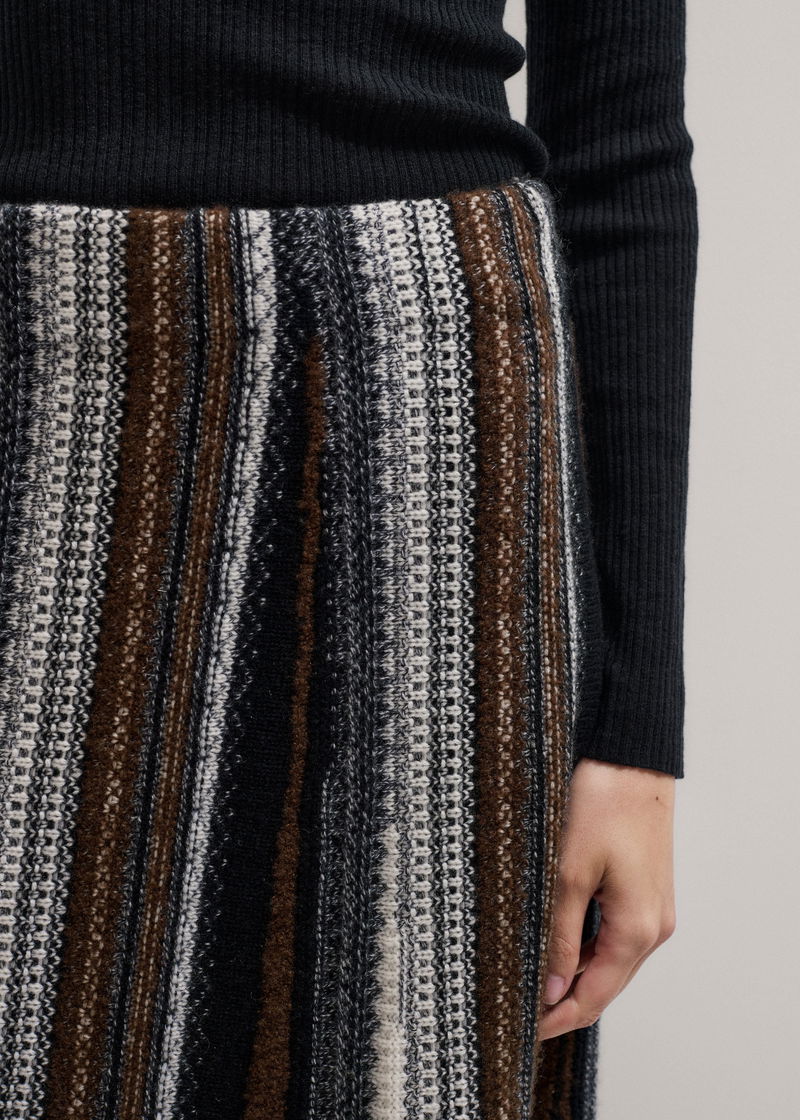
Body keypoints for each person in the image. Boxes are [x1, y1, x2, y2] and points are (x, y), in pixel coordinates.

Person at [0, 2, 697, 1118]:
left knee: (394, 1066)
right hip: (45, 359)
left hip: (421, 408)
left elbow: (620, 143)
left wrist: (633, 740)